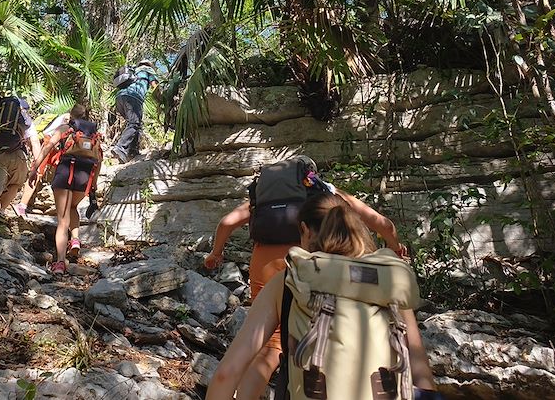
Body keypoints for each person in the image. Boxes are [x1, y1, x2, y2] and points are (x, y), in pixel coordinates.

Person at [203, 156, 407, 398]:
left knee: (270, 346)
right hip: (313, 266)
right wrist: (395, 248)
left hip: (265, 265)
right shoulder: (327, 197)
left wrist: (216, 253)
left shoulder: (262, 201)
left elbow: (227, 222)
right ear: (310, 174)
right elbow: (381, 223)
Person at [28, 103, 102, 275]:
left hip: (65, 172)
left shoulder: (64, 129)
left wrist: (34, 169)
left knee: (62, 220)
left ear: (71, 115)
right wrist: (94, 184)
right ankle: (75, 240)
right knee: (73, 207)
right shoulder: (93, 135)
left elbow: (47, 147)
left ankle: (60, 262)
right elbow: (99, 160)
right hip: (84, 176)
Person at [0, 96, 41, 226]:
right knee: (15, 185)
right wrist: (37, 166)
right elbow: (35, 142)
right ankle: (1, 211)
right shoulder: (25, 120)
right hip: (19, 156)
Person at [12, 111, 70, 216]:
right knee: (38, 172)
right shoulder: (67, 117)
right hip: (49, 142)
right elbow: (60, 133)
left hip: (53, 145)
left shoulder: (70, 118)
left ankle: (25, 204)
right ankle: (22, 205)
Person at [111, 60, 159, 163]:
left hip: (120, 97)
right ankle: (120, 147)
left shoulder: (133, 70)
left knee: (136, 125)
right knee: (134, 123)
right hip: (133, 97)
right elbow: (155, 86)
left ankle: (132, 151)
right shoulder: (148, 71)